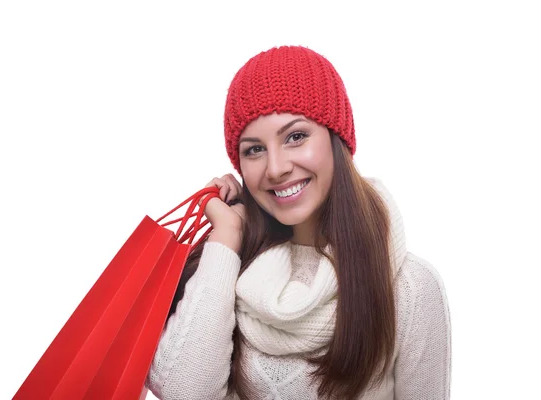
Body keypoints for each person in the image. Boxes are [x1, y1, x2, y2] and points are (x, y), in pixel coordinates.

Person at [146, 45, 451, 400]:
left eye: (295, 136)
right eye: (254, 149)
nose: (276, 168)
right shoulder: (224, 268)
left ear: (337, 140)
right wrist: (228, 235)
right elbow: (186, 392)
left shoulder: (409, 288)